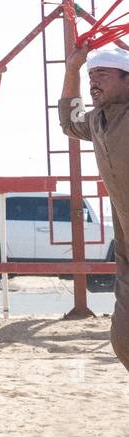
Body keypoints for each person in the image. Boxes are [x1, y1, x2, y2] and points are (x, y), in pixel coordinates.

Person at [59, 44, 129, 369]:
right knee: (124, 340)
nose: (93, 82)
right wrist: (72, 70)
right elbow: (70, 121)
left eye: (102, 74)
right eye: (91, 76)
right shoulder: (97, 120)